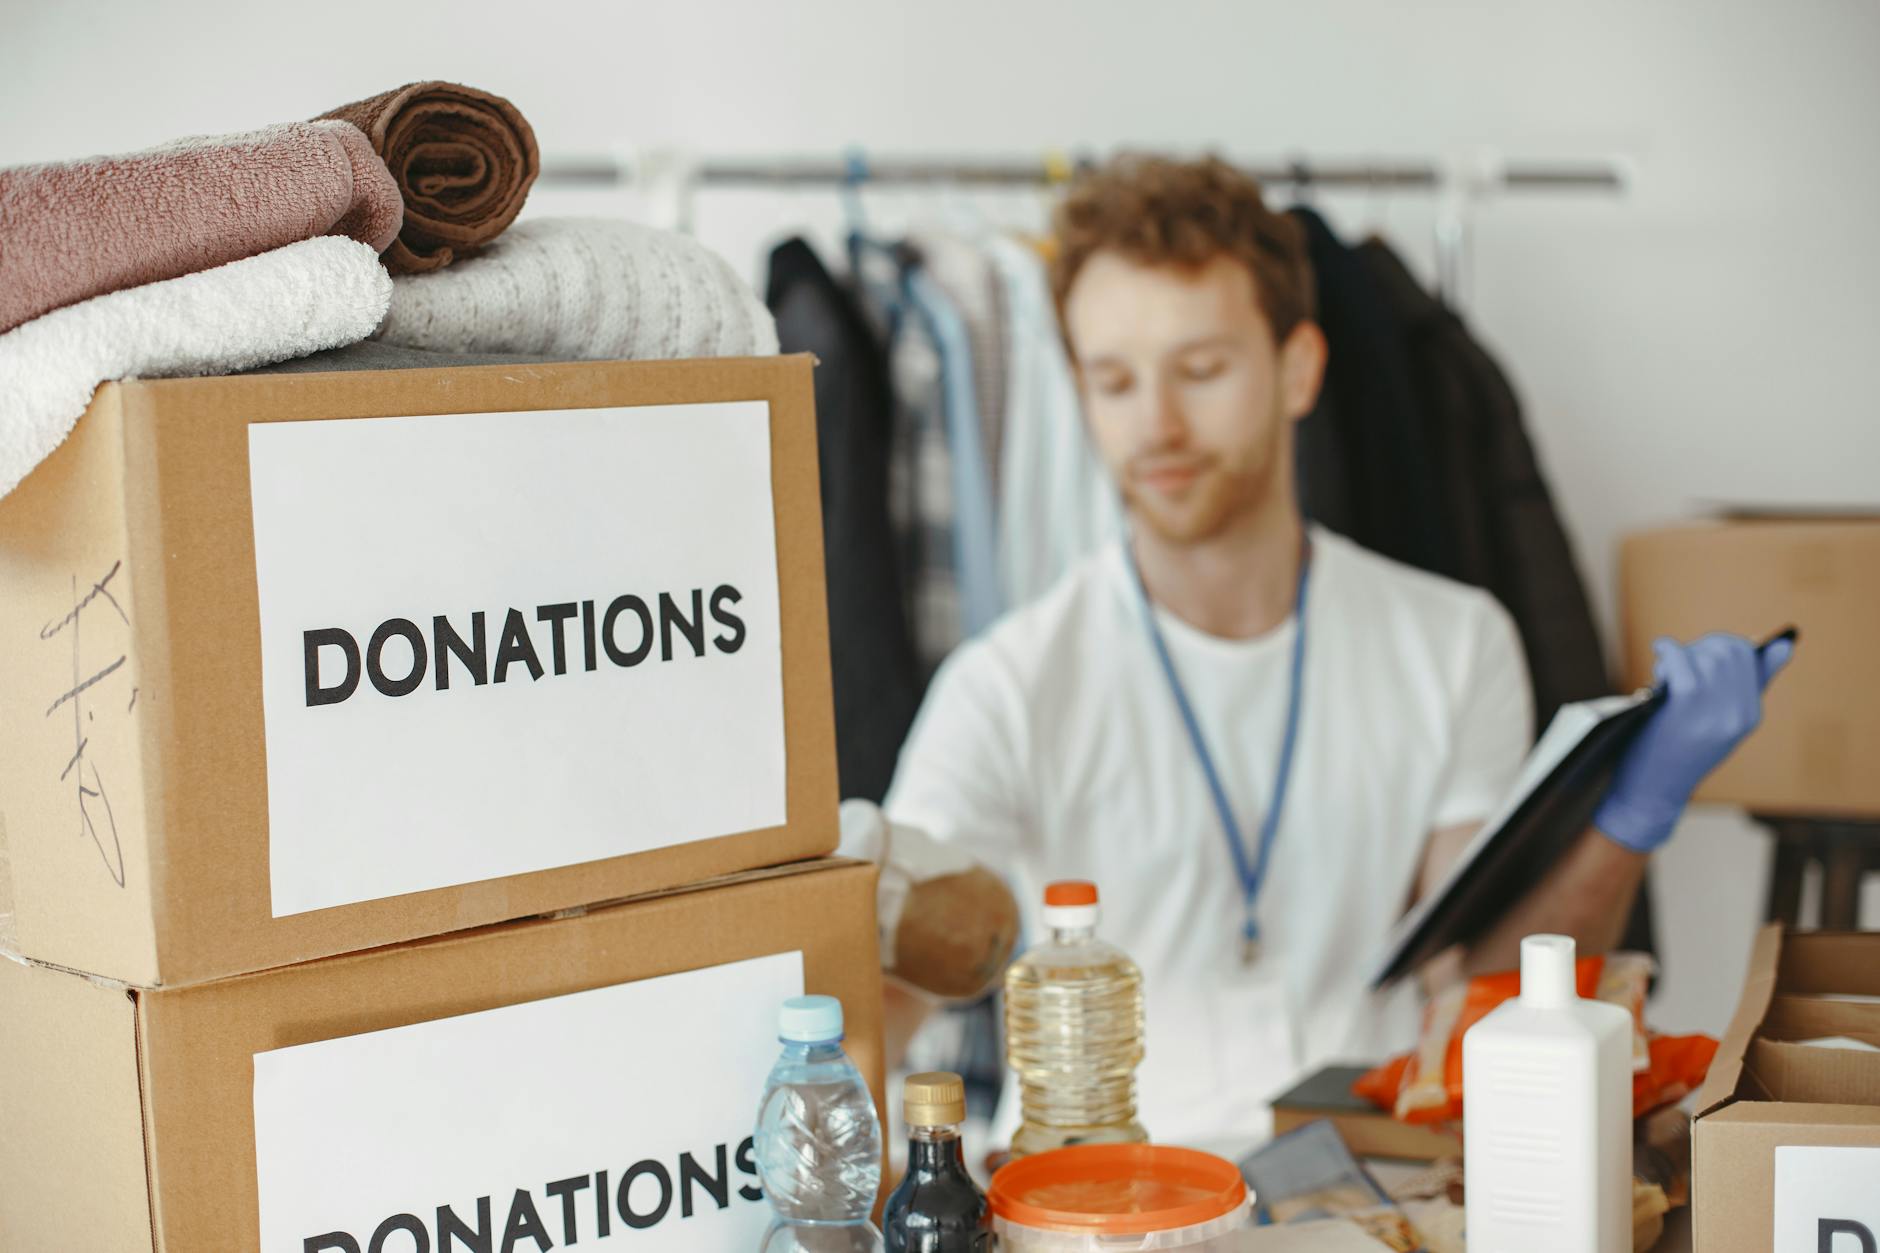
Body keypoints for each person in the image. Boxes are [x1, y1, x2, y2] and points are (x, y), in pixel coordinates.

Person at [881, 154, 1791, 1148]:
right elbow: (888, 987)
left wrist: (1627, 817)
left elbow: (1485, 981)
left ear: (1299, 368)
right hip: (1103, 1200)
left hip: (1373, 1183)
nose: (1157, 423)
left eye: (1199, 368)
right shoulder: (1006, 682)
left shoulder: (1450, 640)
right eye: (1112, 380)